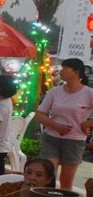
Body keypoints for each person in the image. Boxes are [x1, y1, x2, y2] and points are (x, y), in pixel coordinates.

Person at [34, 58, 93, 189]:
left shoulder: (88, 93)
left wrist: (87, 123)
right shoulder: (55, 91)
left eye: (65, 68)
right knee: (48, 176)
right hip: (51, 138)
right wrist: (56, 126)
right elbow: (39, 114)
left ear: (76, 72)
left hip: (74, 140)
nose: (61, 71)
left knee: (66, 181)